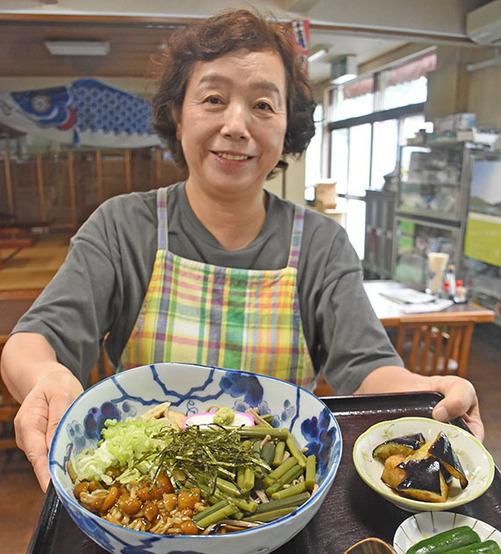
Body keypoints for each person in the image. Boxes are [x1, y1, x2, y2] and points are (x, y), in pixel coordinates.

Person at [0, 8, 483, 492]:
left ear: (286, 126)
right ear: (177, 114)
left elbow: (370, 368)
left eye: (263, 106)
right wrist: (44, 376)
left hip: (279, 493)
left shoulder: (320, 242)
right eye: (213, 98)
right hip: (151, 494)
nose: (236, 125)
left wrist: (426, 394)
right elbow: (32, 341)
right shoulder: (125, 226)